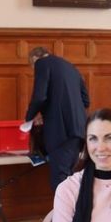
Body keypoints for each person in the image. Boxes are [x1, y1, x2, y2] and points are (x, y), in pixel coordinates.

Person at [24, 46, 90, 190]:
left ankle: (65, 213)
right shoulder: (71, 67)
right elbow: (86, 101)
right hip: (79, 131)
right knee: (68, 177)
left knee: (60, 181)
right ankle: (72, 212)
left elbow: (40, 96)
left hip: (60, 132)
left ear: (35, 60)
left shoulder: (42, 64)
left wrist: (29, 117)